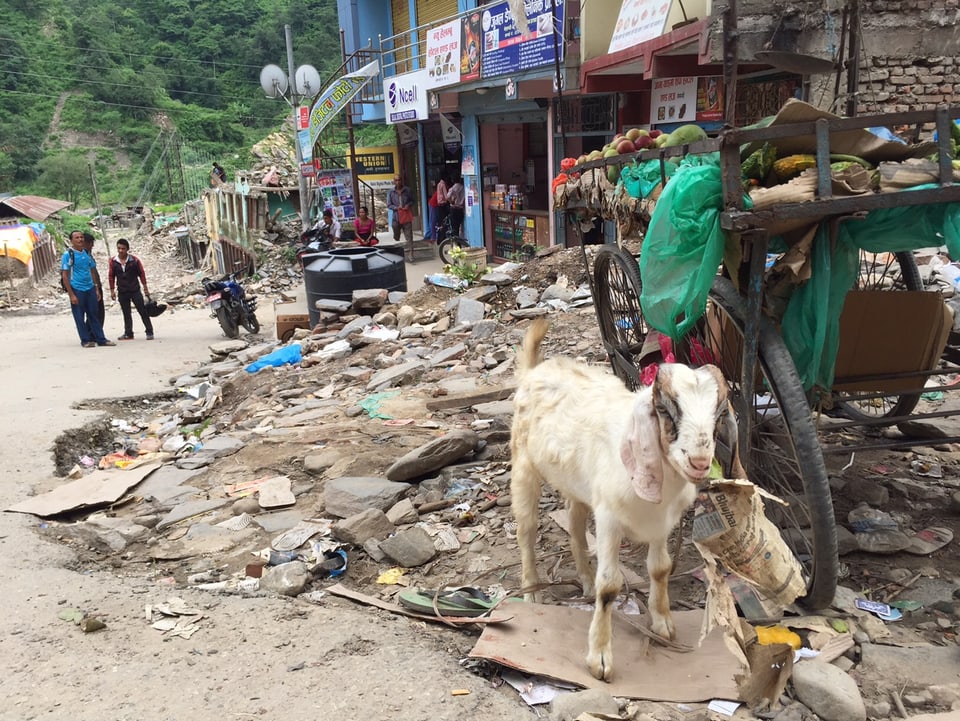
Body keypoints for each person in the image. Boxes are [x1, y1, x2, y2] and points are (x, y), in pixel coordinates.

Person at [62, 230, 115, 348]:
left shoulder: (86, 253)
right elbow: (65, 275)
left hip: (90, 288)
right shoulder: (68, 255)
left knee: (94, 315)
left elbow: (92, 271)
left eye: (81, 237)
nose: (80, 240)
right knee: (79, 316)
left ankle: (101, 339)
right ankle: (85, 340)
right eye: (77, 238)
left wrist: (96, 288)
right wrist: (71, 294)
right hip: (77, 288)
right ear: (71, 241)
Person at [108, 238, 154, 341]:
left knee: (142, 311)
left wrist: (145, 288)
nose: (120, 250)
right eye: (119, 248)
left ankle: (149, 331)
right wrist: (112, 290)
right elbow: (111, 276)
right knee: (126, 313)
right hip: (122, 291)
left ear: (127, 249)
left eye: (123, 248)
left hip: (135, 290)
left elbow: (142, 274)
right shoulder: (113, 261)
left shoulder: (135, 260)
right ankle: (128, 333)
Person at [387, 175, 415, 262]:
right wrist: (396, 207)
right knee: (395, 230)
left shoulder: (407, 190)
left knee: (409, 236)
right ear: (393, 181)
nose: (398, 182)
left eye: (399, 180)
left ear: (401, 181)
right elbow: (389, 205)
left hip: (406, 215)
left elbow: (412, 200)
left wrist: (408, 205)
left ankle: (411, 254)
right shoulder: (391, 192)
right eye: (396, 180)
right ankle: (396, 236)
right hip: (396, 216)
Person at [82, 232, 105, 332]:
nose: (93, 245)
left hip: (94, 286)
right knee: (96, 312)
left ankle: (93, 333)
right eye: (91, 243)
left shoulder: (88, 255)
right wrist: (96, 287)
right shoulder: (82, 256)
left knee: (96, 312)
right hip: (91, 287)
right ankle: (93, 333)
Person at [435, 173, 450, 242]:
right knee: (444, 222)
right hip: (443, 205)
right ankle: (443, 238)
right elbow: (446, 196)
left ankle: (439, 239)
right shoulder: (443, 184)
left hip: (439, 205)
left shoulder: (439, 184)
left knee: (440, 222)